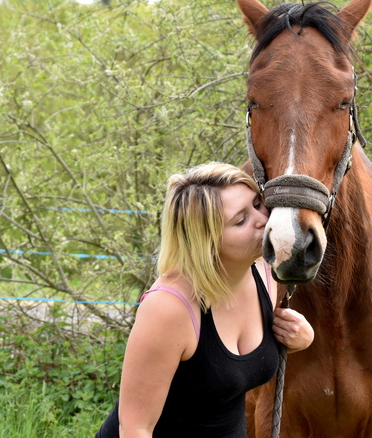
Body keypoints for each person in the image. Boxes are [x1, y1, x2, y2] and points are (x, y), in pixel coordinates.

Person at [96, 162, 314, 438]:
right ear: (208, 243)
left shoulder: (266, 275)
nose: (263, 219)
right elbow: (135, 429)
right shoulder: (169, 308)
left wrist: (299, 340)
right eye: (241, 220)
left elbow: (221, 369)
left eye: (258, 204)